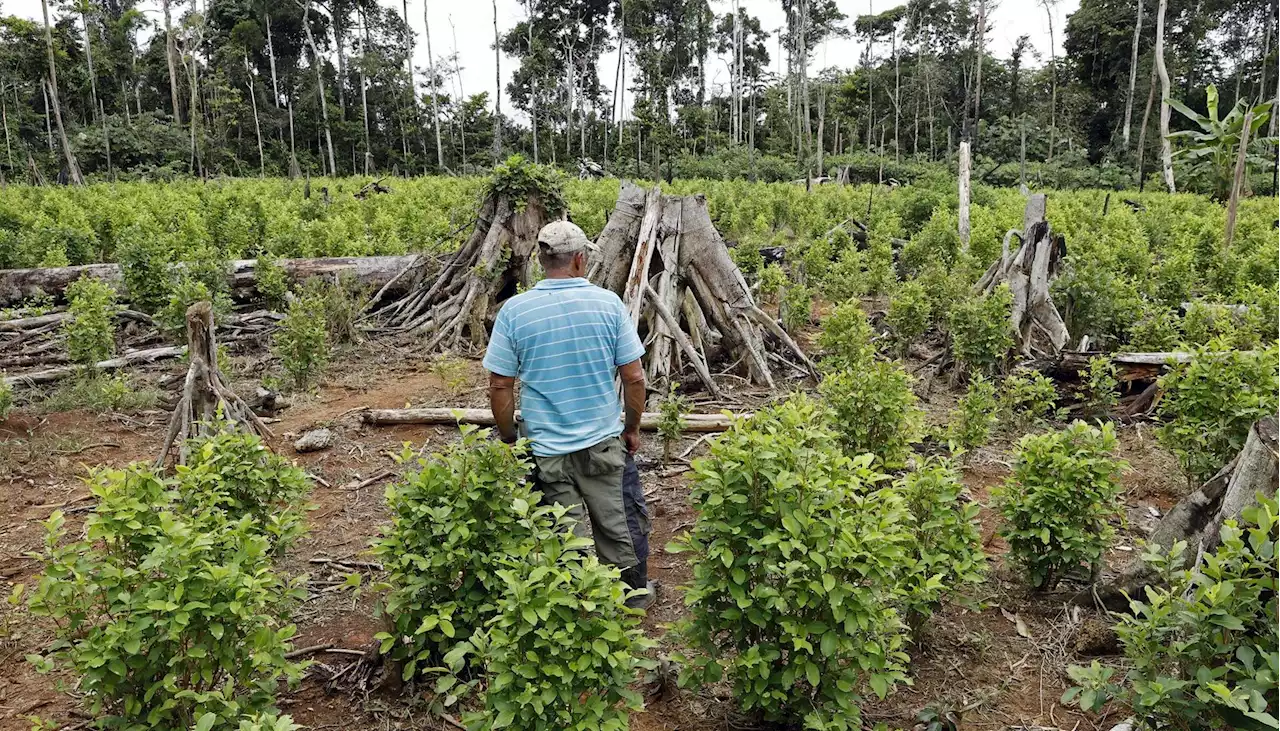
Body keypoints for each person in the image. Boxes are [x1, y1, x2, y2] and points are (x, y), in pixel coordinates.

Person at [483, 220, 656, 610]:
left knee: (562, 532)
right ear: (580, 259)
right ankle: (633, 597)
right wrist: (631, 428)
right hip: (603, 442)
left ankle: (577, 606)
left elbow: (499, 385)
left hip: (545, 448)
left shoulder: (515, 311)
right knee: (621, 522)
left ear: (542, 260)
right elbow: (634, 377)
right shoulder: (608, 304)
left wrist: (511, 436)